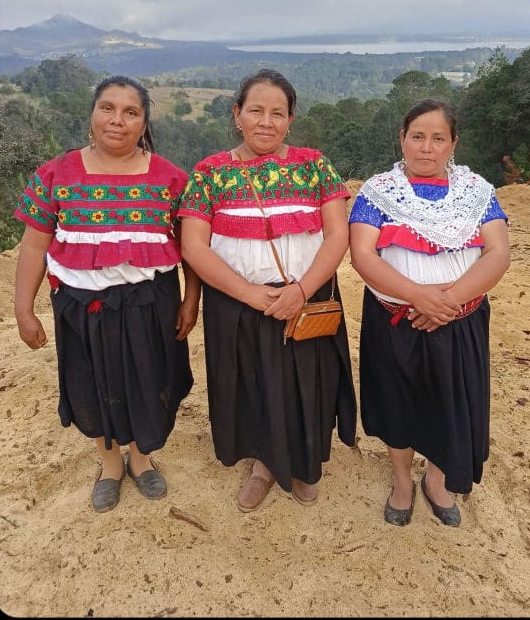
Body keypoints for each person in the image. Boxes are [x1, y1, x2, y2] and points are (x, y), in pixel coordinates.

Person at [13, 75, 199, 512]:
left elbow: (191, 248)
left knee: (149, 379)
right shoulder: (55, 174)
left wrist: (191, 300)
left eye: (131, 112)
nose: (118, 120)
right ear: (92, 115)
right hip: (81, 306)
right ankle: (110, 463)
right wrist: (24, 309)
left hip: (151, 304)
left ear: (144, 122)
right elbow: (34, 245)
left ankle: (141, 459)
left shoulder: (170, 178)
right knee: (91, 383)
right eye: (107, 108)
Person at [177, 68, 356, 512]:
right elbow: (194, 246)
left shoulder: (315, 165)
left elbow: (338, 235)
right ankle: (262, 463)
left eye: (278, 113)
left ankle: (301, 462)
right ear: (237, 114)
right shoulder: (210, 173)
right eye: (255, 110)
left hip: (306, 298)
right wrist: (249, 294)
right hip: (237, 303)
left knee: (306, 380)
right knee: (250, 380)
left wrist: (302, 289)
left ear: (291, 119)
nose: (266, 121)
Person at [347, 98, 510, 527]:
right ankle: (402, 480)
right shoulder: (377, 192)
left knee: (452, 402)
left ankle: (436, 481)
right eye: (417, 136)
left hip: (461, 319)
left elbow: (497, 253)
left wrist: (447, 302)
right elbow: (363, 255)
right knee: (398, 402)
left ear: (453, 143)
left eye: (438, 138)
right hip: (395, 318)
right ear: (401, 139)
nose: (426, 147)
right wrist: (418, 296)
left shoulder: (477, 192)